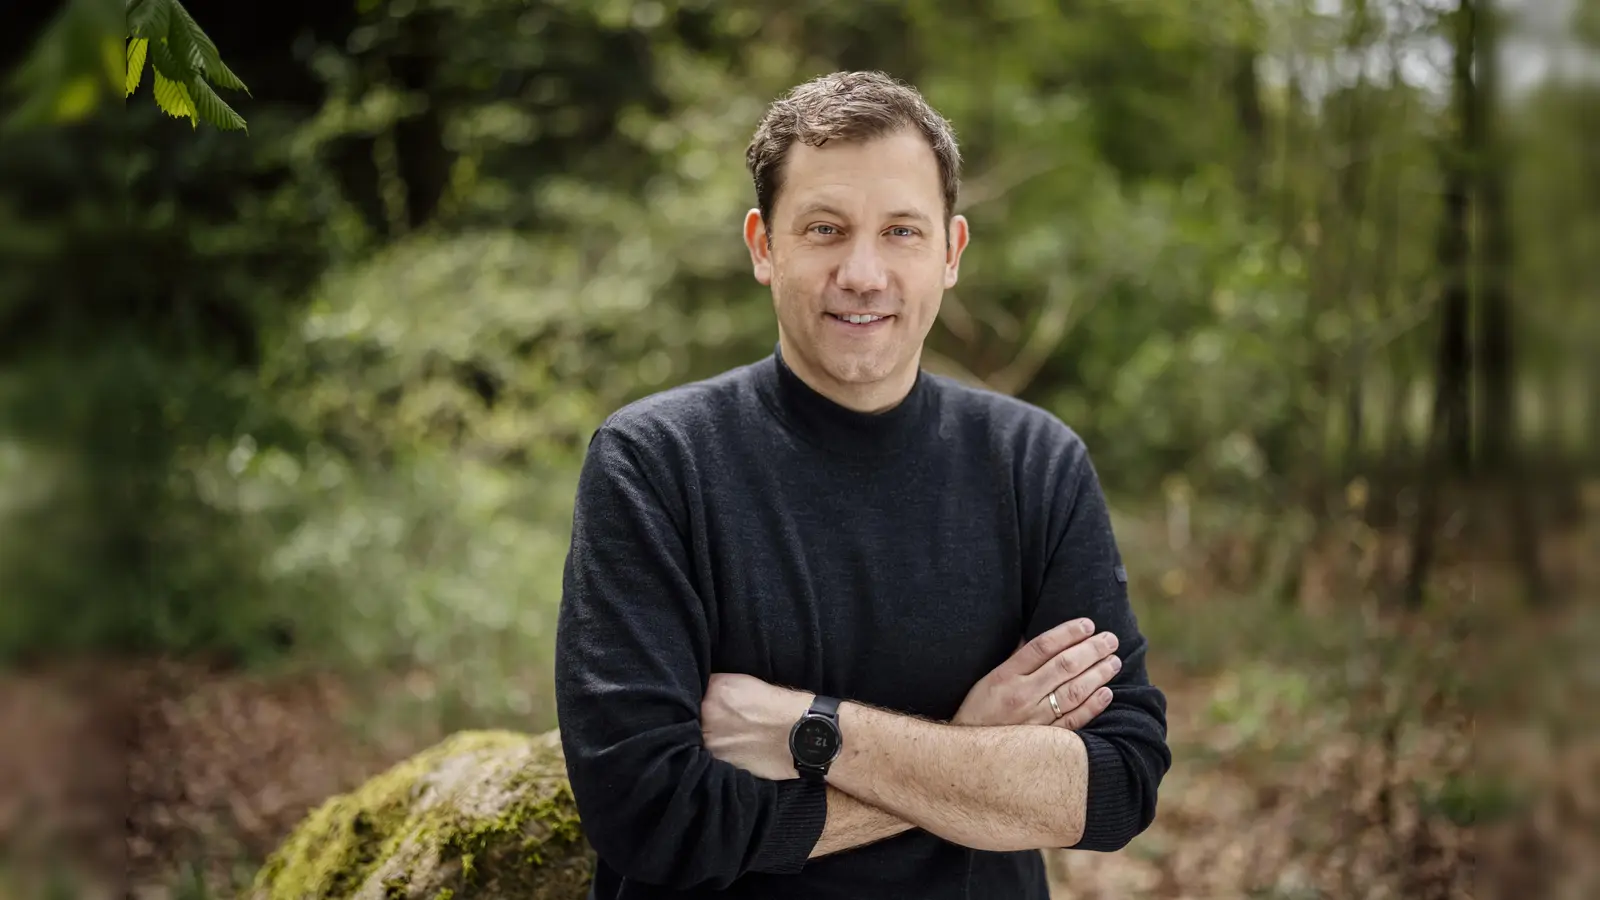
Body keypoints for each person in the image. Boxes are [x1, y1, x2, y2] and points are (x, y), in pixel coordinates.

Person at [553, 70, 1171, 899]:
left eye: (902, 232)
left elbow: (1118, 784)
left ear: (950, 253)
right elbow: (650, 815)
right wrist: (972, 750)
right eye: (824, 228)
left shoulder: (1035, 464)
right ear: (763, 246)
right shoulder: (656, 463)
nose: (864, 272)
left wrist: (817, 733)